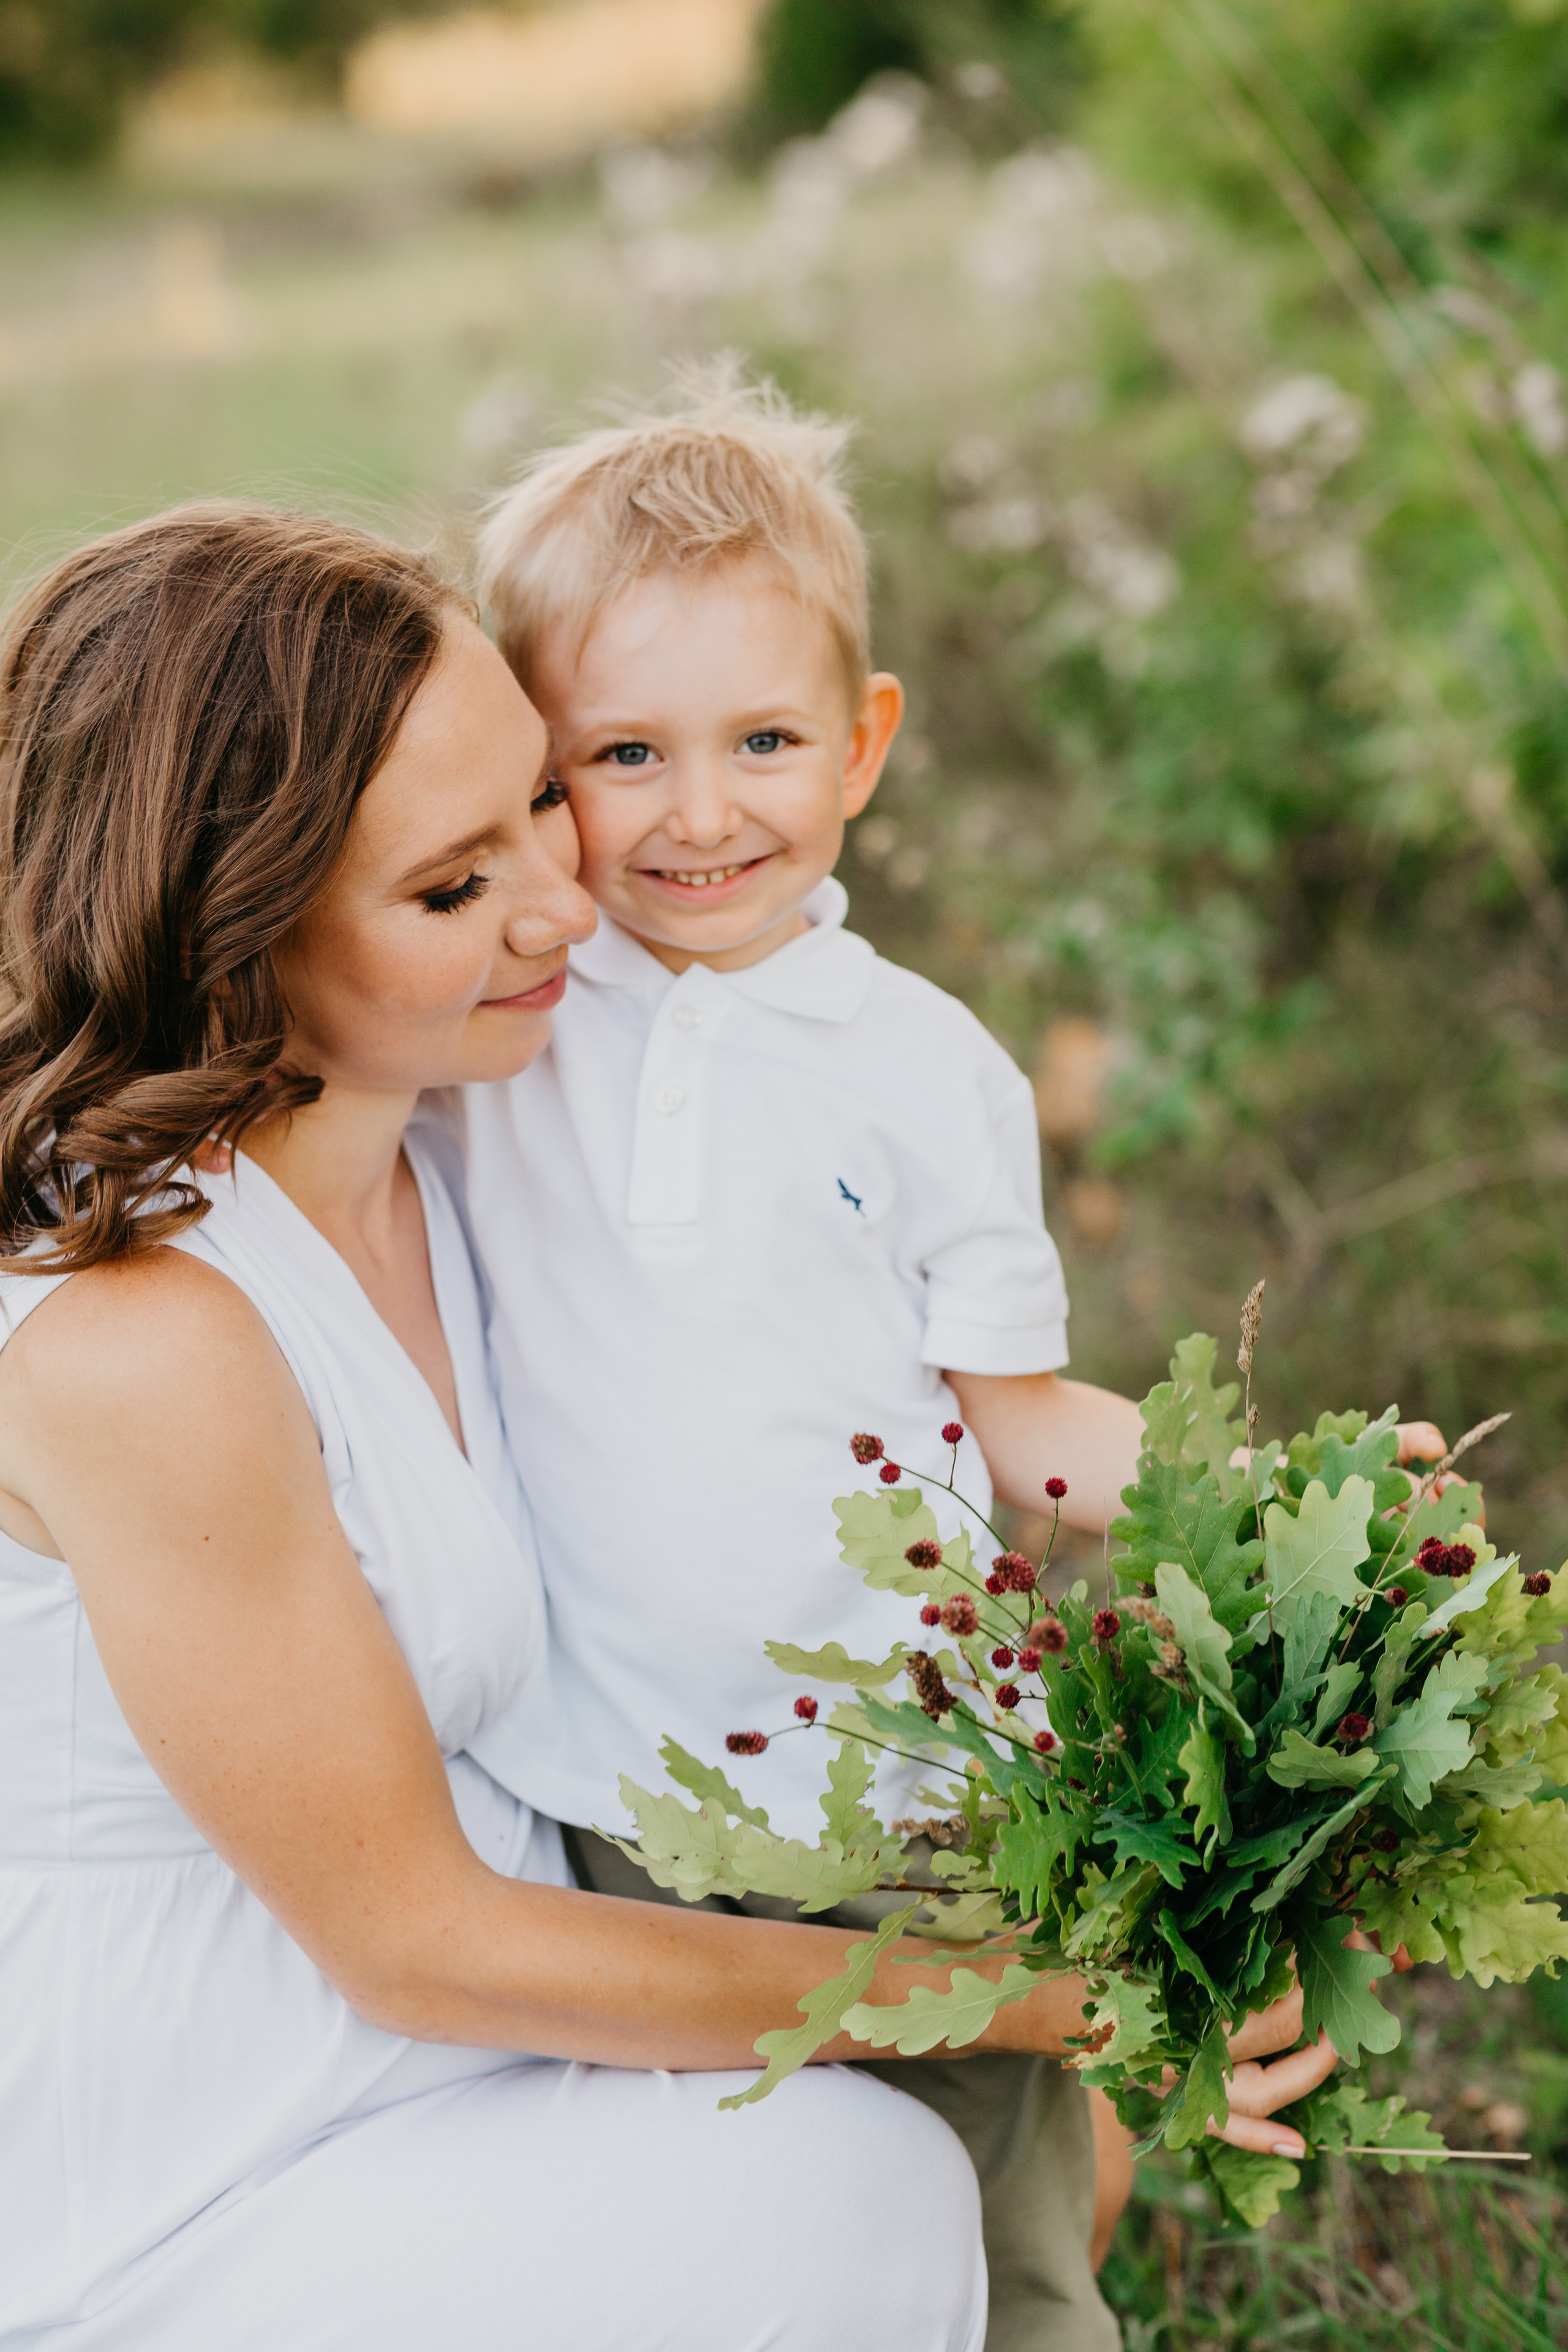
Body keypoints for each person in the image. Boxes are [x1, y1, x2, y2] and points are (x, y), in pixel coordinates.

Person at [0, 502, 1335, 2350]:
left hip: (499, 2017)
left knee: (1024, 2184)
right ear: (237, 933)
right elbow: (412, 1939)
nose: (566, 903)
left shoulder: (463, 1150)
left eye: (543, 798)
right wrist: (1031, 1990)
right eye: (453, 888)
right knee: (861, 2204)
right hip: (221, 2136)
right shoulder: (145, 1336)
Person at [464, 374, 1242, 2346]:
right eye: (621, 752)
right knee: (703, 2225)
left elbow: (1017, 1419)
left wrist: (1242, 1514)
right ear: (532, 769)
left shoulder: (925, 1074)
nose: (701, 811)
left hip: (915, 1793)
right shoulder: (504, 1025)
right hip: (605, 1797)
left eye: (765, 741)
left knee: (993, 2214)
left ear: (865, 743)